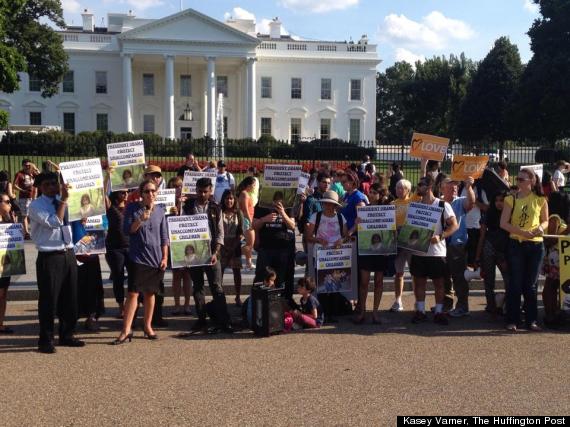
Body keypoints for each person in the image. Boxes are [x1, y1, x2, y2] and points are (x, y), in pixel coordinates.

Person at [29, 172, 83, 354]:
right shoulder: (36, 205)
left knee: (70, 297)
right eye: (48, 184)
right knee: (49, 300)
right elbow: (55, 222)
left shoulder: (62, 199)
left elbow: (71, 220)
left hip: (67, 252)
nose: (53, 187)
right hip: (49, 256)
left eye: (55, 183)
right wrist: (64, 201)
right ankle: (45, 340)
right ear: (40, 187)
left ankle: (67, 334)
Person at [113, 179, 168, 344]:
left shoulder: (160, 211)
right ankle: (126, 330)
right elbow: (127, 231)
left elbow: (164, 237)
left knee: (150, 293)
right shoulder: (132, 208)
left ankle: (148, 327)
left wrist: (165, 257)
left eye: (153, 191)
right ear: (141, 193)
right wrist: (140, 219)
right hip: (138, 257)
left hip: (156, 258)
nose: (150, 194)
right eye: (147, 191)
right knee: (133, 293)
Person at [500, 168, 548, 333]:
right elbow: (503, 223)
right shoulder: (510, 199)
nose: (518, 182)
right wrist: (522, 233)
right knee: (515, 283)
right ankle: (512, 320)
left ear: (531, 181)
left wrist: (541, 228)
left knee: (531, 285)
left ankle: (532, 320)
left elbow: (546, 220)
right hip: (516, 244)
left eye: (522, 179)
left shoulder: (540, 199)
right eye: (518, 179)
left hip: (535, 245)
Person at [182, 177, 233, 334]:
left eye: (205, 191)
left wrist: (216, 253)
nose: (202, 194)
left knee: (217, 287)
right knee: (198, 287)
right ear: (196, 190)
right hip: (193, 252)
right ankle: (201, 319)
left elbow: (220, 234)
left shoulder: (215, 208)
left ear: (210, 191)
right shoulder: (188, 206)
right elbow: (180, 228)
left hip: (211, 253)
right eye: (199, 191)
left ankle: (224, 321)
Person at [410, 175, 458, 326]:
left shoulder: (442, 205)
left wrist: (441, 236)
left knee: (439, 283)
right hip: (418, 250)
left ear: (429, 187)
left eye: (421, 185)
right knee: (419, 282)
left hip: (437, 251)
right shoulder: (415, 205)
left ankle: (438, 311)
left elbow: (454, 225)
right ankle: (420, 311)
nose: (418, 187)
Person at [440, 176, 476, 316]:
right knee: (444, 276)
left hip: (457, 245)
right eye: (451, 185)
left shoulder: (460, 202)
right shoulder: (438, 202)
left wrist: (468, 188)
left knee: (459, 277)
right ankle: (447, 304)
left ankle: (462, 306)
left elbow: (471, 202)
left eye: (456, 185)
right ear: (442, 187)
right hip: (441, 245)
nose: (454, 187)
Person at [253, 190, 296, 302]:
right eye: (275, 199)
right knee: (262, 277)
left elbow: (292, 226)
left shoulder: (287, 206)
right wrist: (264, 220)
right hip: (266, 247)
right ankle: (259, 304)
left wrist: (282, 213)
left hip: (282, 248)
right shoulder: (261, 205)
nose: (277, 201)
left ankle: (278, 305)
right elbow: (254, 225)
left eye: (279, 199)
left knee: (280, 279)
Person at [475, 191, 510, 314]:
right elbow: (482, 236)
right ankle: (491, 306)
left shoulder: (511, 214)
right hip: (488, 249)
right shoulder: (488, 214)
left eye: (501, 200)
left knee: (509, 281)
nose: (499, 203)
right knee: (489, 281)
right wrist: (477, 257)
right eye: (496, 200)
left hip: (504, 251)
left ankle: (507, 306)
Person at [390, 179, 420, 312]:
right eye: (397, 188)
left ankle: (418, 301)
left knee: (415, 272)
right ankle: (398, 300)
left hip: (411, 240)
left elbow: (421, 187)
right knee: (399, 273)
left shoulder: (413, 201)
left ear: (408, 190)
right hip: (396, 241)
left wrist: (424, 164)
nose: (399, 190)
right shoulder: (392, 204)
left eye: (402, 188)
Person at [72, 217, 106, 331]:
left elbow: (104, 221)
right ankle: (71, 320)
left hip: (91, 252)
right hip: (73, 250)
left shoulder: (95, 207)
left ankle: (91, 317)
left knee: (93, 285)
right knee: (74, 286)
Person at [166, 176, 192, 316]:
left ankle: (187, 305)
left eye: (179, 186)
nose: (177, 189)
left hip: (187, 242)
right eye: (174, 187)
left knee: (187, 275)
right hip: (173, 242)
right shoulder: (167, 204)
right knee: (176, 276)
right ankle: (176, 305)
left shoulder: (190, 203)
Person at [105, 189, 130, 318]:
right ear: (116, 194)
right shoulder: (111, 208)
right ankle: (121, 307)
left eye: (127, 192)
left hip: (131, 247)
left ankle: (132, 306)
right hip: (115, 248)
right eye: (122, 192)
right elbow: (103, 195)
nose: (125, 194)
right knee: (118, 277)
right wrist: (107, 177)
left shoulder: (131, 207)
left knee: (134, 277)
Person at [220, 189, 244, 306]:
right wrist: (223, 246)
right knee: (219, 273)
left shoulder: (238, 213)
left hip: (235, 246)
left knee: (237, 272)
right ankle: (219, 296)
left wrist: (233, 246)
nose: (229, 201)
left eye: (231, 198)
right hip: (222, 246)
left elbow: (241, 232)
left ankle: (238, 296)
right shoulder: (219, 212)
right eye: (227, 198)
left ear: (234, 200)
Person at [0, 193, 15, 334]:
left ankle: (1, 323)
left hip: (4, 263)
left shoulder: (9, 220)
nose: (10, 204)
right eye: (7, 202)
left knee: (3, 293)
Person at [13, 159, 38, 239]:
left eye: (29, 165)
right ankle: (26, 233)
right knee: (25, 215)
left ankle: (34, 231)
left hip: (33, 197)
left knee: (34, 215)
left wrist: (35, 168)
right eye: (26, 165)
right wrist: (22, 190)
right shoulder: (19, 174)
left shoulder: (33, 173)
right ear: (22, 166)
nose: (27, 167)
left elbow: (41, 177)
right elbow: (14, 185)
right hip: (24, 198)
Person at [237, 177, 256, 271]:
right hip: (246, 220)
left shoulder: (246, 193)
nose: (254, 186)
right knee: (250, 243)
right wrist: (250, 221)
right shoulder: (244, 194)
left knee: (250, 244)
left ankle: (249, 263)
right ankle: (232, 252)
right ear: (248, 185)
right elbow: (245, 210)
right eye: (253, 184)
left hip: (248, 220)